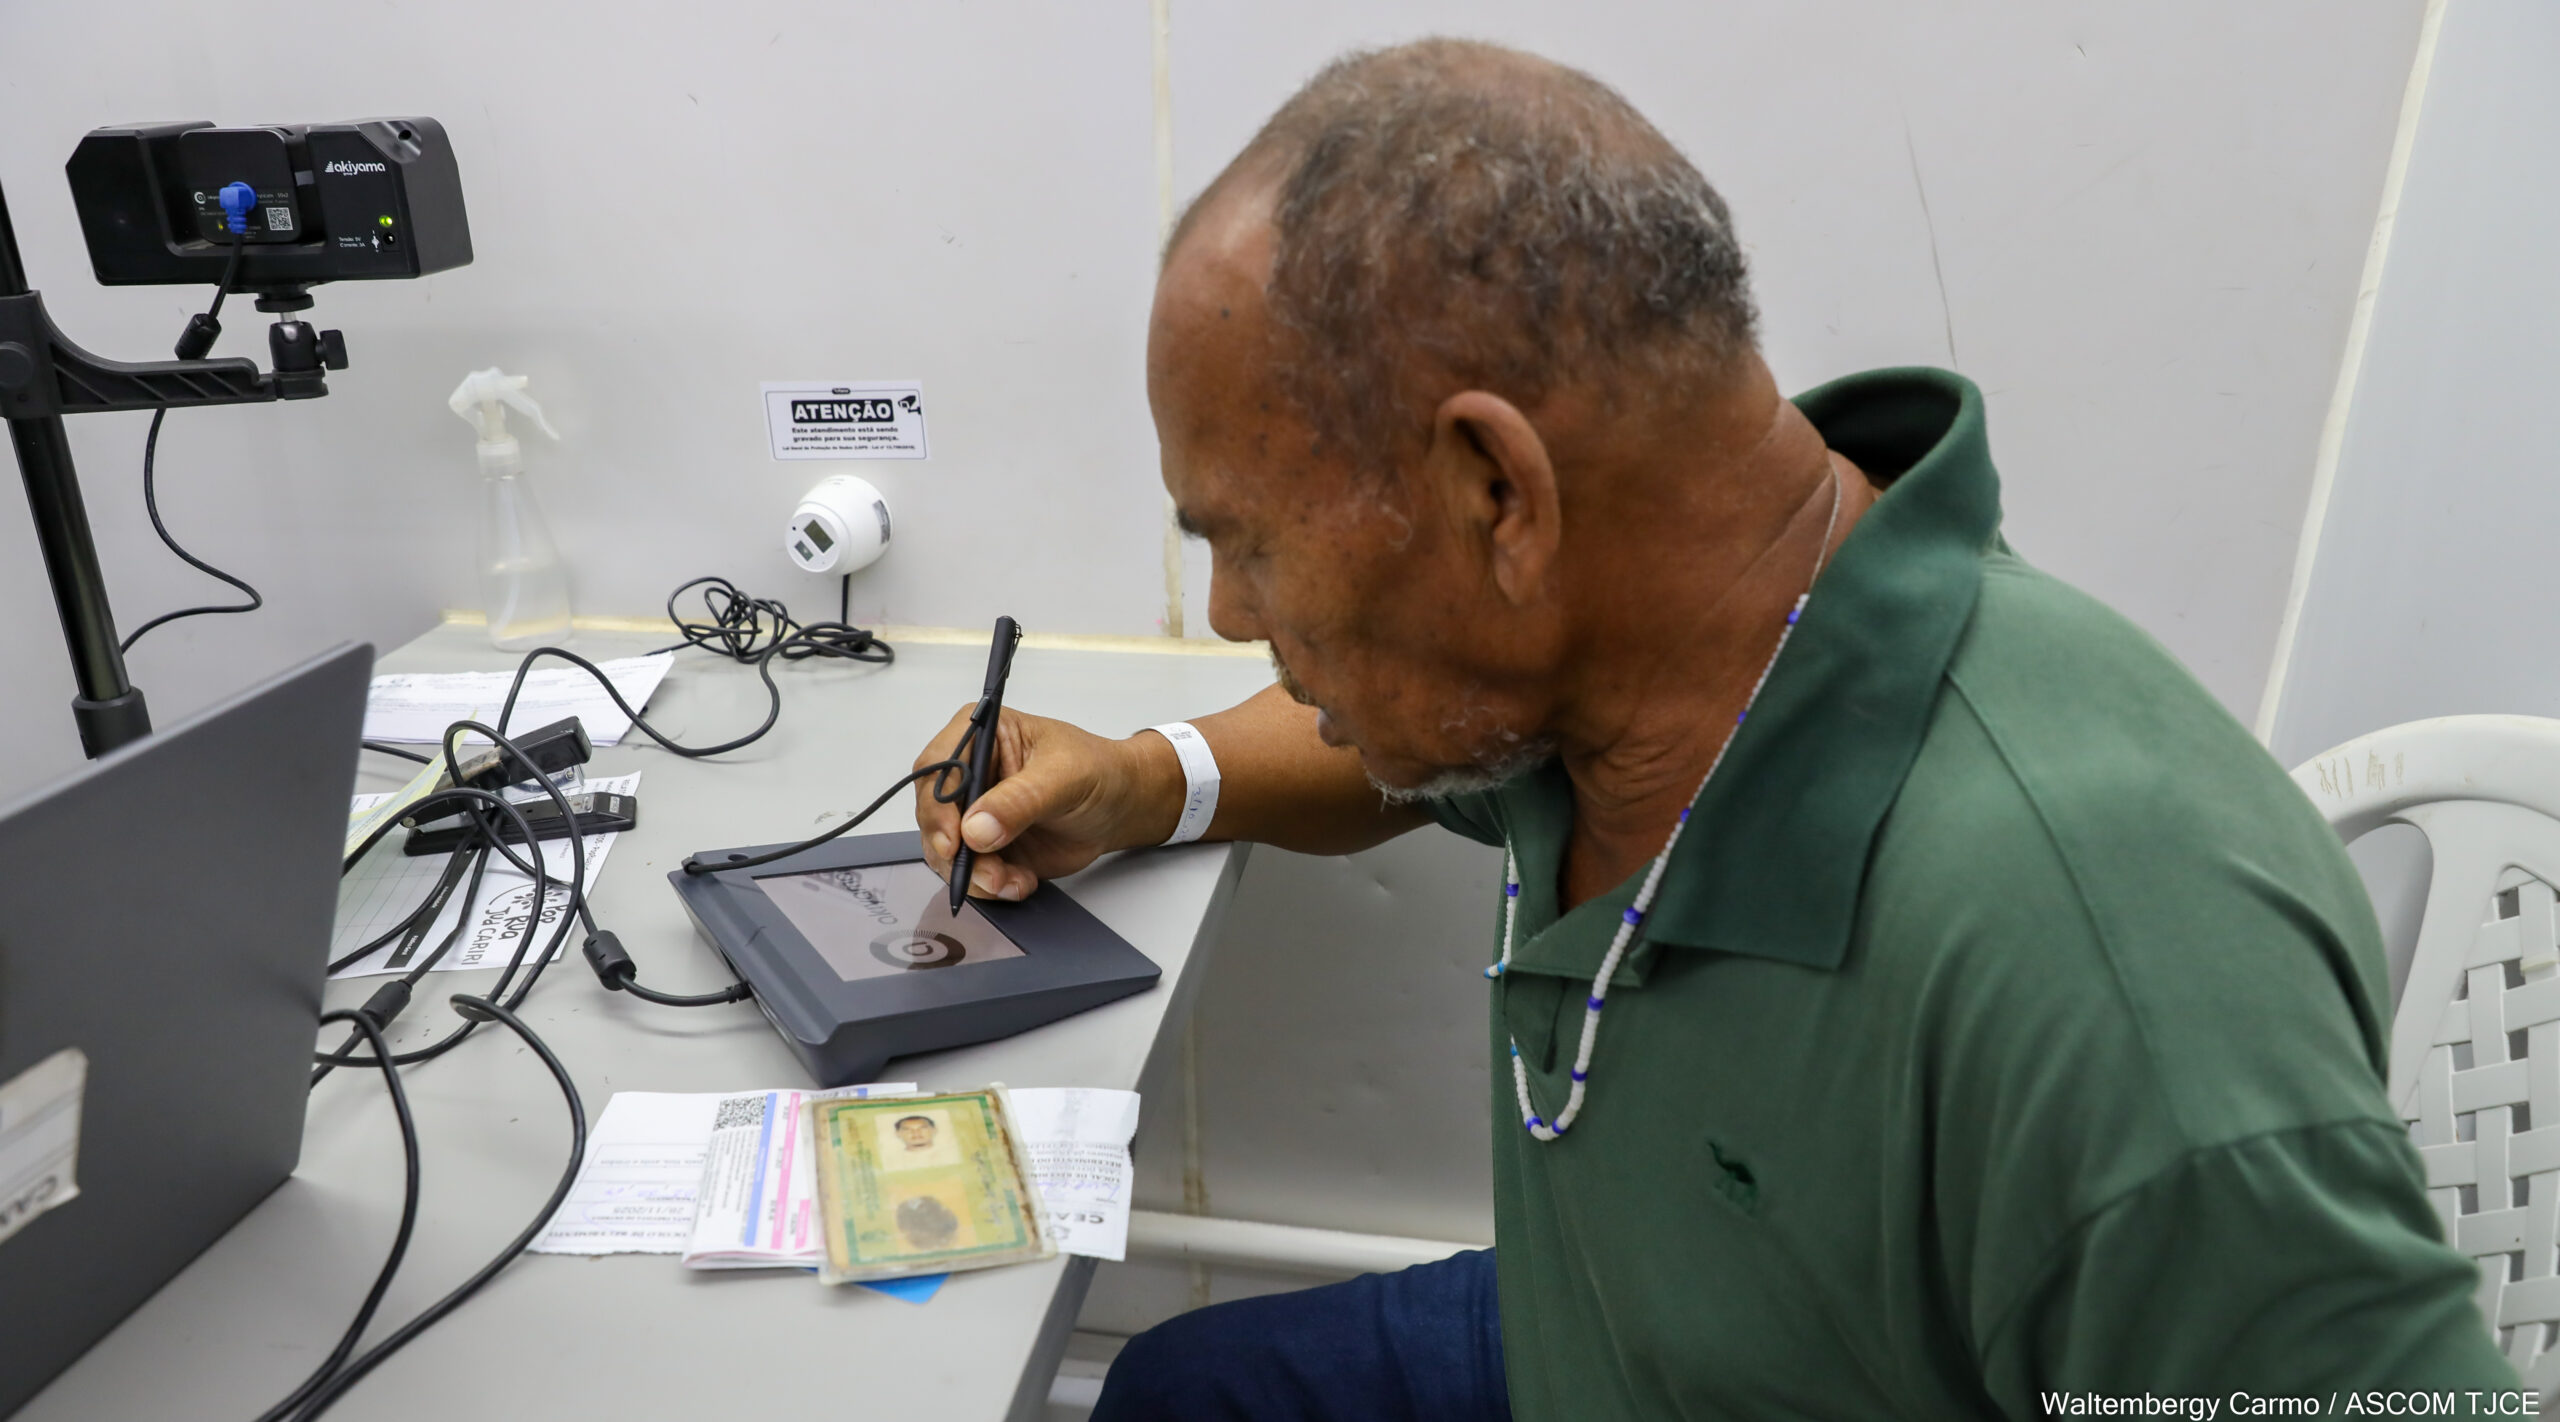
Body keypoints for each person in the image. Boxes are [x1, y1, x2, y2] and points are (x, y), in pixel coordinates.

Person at [913, 37, 2521, 1422]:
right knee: (1187, 1391)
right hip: (1628, 1324)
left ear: (1498, 495)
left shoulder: (2111, 996)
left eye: (1251, 542)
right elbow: (1383, 745)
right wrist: (1148, 779)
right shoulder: (1635, 641)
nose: (1227, 612)